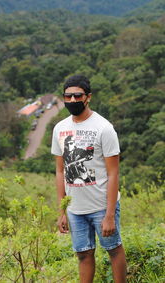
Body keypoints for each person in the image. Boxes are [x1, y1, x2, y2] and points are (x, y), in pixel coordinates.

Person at [51, 75, 127, 283]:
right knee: (83, 254)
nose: (73, 100)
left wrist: (109, 214)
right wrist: (62, 211)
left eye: (78, 95)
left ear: (88, 97)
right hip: (75, 209)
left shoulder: (103, 128)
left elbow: (113, 173)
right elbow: (60, 171)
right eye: (68, 96)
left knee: (113, 250)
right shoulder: (60, 128)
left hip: (101, 206)